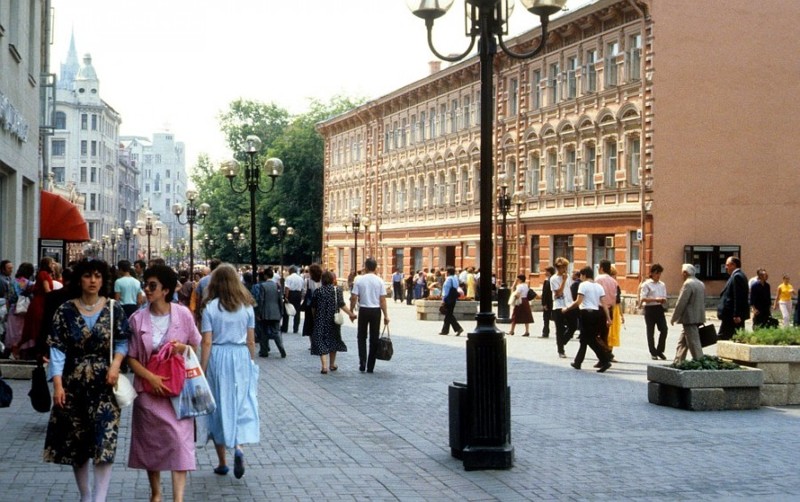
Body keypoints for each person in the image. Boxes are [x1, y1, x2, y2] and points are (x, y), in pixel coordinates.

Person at [43, 259, 130, 502]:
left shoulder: (114, 308)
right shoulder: (65, 311)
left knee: (105, 439)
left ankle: (100, 498)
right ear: (79, 279)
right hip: (74, 383)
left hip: (105, 383)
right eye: (88, 276)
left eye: (98, 276)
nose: (93, 281)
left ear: (103, 280)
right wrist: (58, 384)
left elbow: (123, 340)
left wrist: (115, 365)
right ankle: (86, 495)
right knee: (77, 441)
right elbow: (57, 350)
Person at [126, 264, 201, 502]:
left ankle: (178, 498)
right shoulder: (137, 319)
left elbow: (194, 345)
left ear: (165, 290)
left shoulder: (183, 314)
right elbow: (131, 357)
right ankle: (156, 493)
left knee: (180, 442)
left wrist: (183, 348)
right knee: (152, 443)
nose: (147, 289)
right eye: (145, 285)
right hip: (148, 391)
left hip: (177, 390)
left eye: (152, 285)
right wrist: (150, 377)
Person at [200, 264, 259, 479]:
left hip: (218, 356)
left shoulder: (210, 308)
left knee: (218, 405)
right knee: (240, 403)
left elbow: (206, 342)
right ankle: (239, 447)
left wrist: (202, 369)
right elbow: (251, 339)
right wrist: (251, 363)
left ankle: (222, 461)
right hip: (240, 355)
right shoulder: (247, 307)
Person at [563, 267, 612, 373]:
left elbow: (578, 301)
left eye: (581, 275)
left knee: (589, 340)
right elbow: (604, 304)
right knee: (586, 339)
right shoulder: (599, 286)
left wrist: (567, 309)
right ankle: (578, 362)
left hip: (586, 314)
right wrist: (608, 318)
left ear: (584, 275)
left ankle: (605, 359)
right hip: (597, 314)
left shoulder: (583, 285)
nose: (580, 278)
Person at [311, 270, 356, 373]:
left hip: (320, 319)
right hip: (333, 320)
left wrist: (315, 317)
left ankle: (324, 366)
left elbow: (313, 307)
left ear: (322, 280)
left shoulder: (318, 291)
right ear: (332, 279)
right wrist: (351, 314)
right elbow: (342, 304)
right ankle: (332, 364)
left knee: (321, 340)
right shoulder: (337, 290)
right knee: (333, 340)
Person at [350, 258, 390, 373]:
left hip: (364, 309)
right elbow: (382, 300)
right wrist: (386, 315)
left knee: (361, 337)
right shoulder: (380, 281)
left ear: (366, 267)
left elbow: (354, 297)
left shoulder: (360, 280)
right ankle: (371, 365)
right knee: (374, 338)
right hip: (376, 311)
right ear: (376, 267)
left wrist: (352, 311)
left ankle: (362, 361)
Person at [16, 256, 55, 360]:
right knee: (36, 327)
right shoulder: (43, 274)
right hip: (39, 304)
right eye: (52, 263)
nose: (53, 265)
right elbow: (47, 290)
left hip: (40, 302)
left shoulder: (44, 275)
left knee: (36, 327)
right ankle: (31, 351)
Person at [670, 264, 706, 364]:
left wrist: (674, 317)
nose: (681, 275)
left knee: (693, 343)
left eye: (682, 273)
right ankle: (678, 361)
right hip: (698, 316)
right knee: (682, 342)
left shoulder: (688, 284)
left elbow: (681, 302)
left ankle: (700, 362)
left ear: (685, 273)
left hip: (689, 318)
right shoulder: (700, 283)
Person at [253, 267, 286, 358]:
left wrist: (258, 313)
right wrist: (281, 312)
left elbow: (261, 300)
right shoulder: (277, 286)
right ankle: (281, 348)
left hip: (265, 312)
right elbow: (280, 300)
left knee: (263, 332)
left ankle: (264, 351)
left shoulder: (263, 286)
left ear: (265, 275)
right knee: (276, 331)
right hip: (276, 312)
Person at [640, 263, 669, 360]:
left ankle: (660, 350)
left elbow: (664, 297)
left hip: (659, 308)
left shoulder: (662, 284)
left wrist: (663, 300)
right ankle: (653, 352)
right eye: (657, 273)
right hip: (650, 309)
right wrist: (654, 299)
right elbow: (643, 298)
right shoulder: (646, 284)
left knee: (664, 329)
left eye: (660, 273)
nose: (658, 276)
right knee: (650, 331)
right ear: (652, 273)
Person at [717, 256, 749, 340]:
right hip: (730, 315)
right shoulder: (737, 275)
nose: (726, 268)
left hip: (732, 316)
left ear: (733, 265)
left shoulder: (737, 276)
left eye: (727, 265)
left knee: (725, 337)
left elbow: (738, 297)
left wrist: (736, 314)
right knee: (728, 336)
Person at [550, 258, 574, 358]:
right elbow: (558, 293)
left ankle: (562, 341)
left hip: (569, 304)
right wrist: (563, 281)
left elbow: (570, 289)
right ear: (557, 268)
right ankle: (561, 350)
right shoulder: (553, 279)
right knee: (559, 329)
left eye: (565, 267)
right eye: (562, 267)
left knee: (573, 326)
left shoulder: (568, 276)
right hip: (558, 305)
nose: (564, 269)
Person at [438, 266, 464, 337]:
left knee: (449, 315)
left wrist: (443, 300)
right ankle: (445, 330)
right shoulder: (455, 278)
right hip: (453, 298)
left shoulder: (448, 279)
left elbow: (445, 290)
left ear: (448, 272)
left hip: (448, 299)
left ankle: (458, 328)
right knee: (448, 315)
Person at [301, 264, 323, 343]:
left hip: (310, 305)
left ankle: (312, 343)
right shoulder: (322, 280)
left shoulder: (307, 281)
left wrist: (302, 299)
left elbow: (304, 292)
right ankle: (320, 341)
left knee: (310, 323)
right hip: (321, 304)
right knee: (320, 322)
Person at [282, 266, 304, 334]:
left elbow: (287, 288)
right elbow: (302, 288)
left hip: (291, 294)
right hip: (298, 294)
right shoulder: (300, 278)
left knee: (286, 310)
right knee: (297, 311)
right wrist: (301, 297)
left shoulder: (289, 278)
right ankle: (296, 328)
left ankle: (285, 328)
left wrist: (286, 297)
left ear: (290, 271)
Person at [540, 266, 554, 338]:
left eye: (546, 271)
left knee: (546, 318)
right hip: (551, 302)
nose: (545, 273)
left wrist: (544, 303)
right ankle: (545, 332)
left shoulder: (549, 281)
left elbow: (545, 293)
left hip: (549, 302)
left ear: (549, 272)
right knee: (547, 318)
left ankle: (545, 333)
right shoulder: (550, 280)